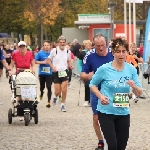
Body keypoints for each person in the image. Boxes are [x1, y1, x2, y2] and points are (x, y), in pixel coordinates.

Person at [90, 37, 142, 150]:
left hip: (123, 112)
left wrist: (134, 86)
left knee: (121, 147)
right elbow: (92, 84)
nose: (121, 54)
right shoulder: (104, 69)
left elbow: (139, 92)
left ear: (127, 53)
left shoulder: (131, 69)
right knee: (113, 146)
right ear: (113, 52)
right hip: (106, 112)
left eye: (124, 51)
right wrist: (100, 96)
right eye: (118, 51)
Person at [80, 33, 114, 150]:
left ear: (107, 44)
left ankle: (114, 139)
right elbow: (82, 74)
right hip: (96, 90)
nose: (100, 48)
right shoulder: (89, 56)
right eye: (97, 46)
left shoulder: (114, 53)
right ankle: (101, 141)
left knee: (116, 116)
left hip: (113, 90)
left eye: (103, 45)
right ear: (94, 45)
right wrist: (88, 76)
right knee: (96, 117)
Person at [47, 35, 73, 112]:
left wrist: (70, 65)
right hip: (56, 72)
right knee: (58, 91)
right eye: (60, 42)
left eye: (63, 42)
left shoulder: (68, 51)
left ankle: (62, 105)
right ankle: (55, 96)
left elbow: (68, 60)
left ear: (65, 43)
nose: (62, 44)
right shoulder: (54, 51)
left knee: (64, 89)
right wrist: (52, 67)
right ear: (58, 43)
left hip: (64, 71)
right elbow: (48, 60)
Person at [35, 41, 53, 108]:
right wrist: (43, 62)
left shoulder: (52, 53)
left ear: (50, 46)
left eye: (48, 45)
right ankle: (42, 93)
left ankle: (48, 101)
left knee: (49, 86)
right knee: (42, 86)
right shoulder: (40, 53)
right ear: (43, 46)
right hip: (42, 73)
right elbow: (35, 61)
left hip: (49, 73)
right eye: (45, 45)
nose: (46, 46)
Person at [78, 40, 92, 107]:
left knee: (93, 86)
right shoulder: (82, 53)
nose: (89, 46)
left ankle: (91, 100)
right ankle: (86, 100)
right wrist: (81, 71)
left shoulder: (93, 52)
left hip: (92, 71)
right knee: (87, 85)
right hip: (85, 71)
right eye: (87, 45)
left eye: (89, 45)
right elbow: (79, 63)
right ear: (85, 46)